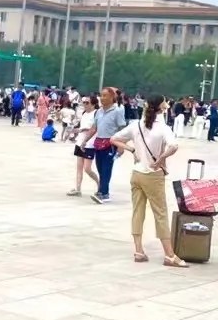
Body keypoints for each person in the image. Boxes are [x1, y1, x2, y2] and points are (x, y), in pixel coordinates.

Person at [111, 96, 188, 267]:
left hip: (137, 173)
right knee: (160, 213)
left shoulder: (136, 125)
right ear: (162, 107)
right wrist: (161, 159)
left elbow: (114, 138)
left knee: (137, 212)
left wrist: (132, 150)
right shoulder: (163, 128)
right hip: (153, 175)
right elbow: (174, 146)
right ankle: (169, 255)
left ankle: (138, 251)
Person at [81, 86, 127, 204]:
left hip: (111, 143)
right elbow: (94, 128)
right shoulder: (99, 111)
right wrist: (85, 140)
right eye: (101, 95)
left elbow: (122, 129)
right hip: (98, 143)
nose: (102, 98)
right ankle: (101, 191)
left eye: (105, 95)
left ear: (112, 97)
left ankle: (104, 193)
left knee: (106, 168)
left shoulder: (118, 110)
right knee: (100, 168)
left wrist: (121, 146)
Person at [68, 94, 99, 196]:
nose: (85, 104)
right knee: (79, 168)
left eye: (87, 103)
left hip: (89, 144)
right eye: (84, 102)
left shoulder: (96, 114)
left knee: (87, 169)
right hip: (79, 141)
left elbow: (94, 128)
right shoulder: (84, 113)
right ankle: (78, 189)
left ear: (93, 104)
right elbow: (81, 126)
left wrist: (83, 129)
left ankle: (99, 184)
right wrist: (76, 130)